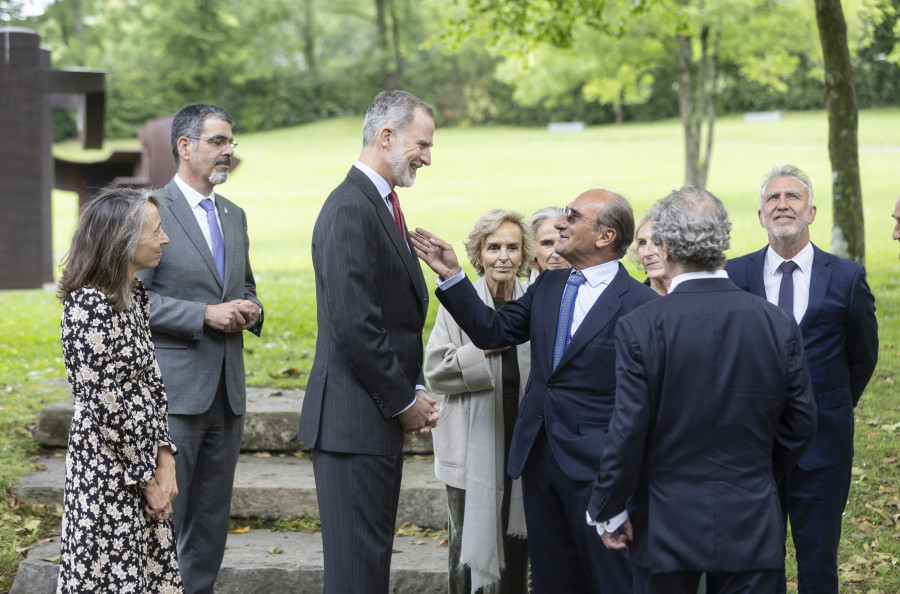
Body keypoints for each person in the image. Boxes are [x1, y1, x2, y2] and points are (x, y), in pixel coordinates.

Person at [412, 189, 659, 593]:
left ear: (604, 236)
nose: (560, 223)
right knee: (550, 581)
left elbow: (647, 403)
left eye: (573, 217)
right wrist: (452, 276)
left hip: (598, 473)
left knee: (610, 580)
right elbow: (492, 330)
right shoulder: (549, 286)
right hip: (538, 463)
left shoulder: (643, 305)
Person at [587, 186, 817, 594]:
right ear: (722, 243)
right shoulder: (777, 324)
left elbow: (627, 429)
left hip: (663, 521)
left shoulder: (642, 326)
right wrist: (757, 473)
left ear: (668, 247)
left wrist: (608, 508)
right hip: (751, 518)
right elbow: (800, 424)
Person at [298, 90, 440, 594]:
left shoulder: (380, 204)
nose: (427, 156)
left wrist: (413, 385)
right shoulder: (349, 209)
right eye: (421, 144)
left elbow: (392, 318)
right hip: (352, 425)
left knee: (369, 568)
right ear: (387, 137)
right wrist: (404, 401)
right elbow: (356, 326)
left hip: (367, 422)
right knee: (357, 575)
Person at [726, 165, 878, 593]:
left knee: (819, 565)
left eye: (793, 197)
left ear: (811, 212)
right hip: (751, 449)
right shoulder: (734, 277)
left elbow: (862, 356)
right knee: (759, 565)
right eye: (772, 198)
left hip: (823, 446)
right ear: (760, 216)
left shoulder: (847, 277)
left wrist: (830, 404)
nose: (782, 204)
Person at [137, 103, 264, 594]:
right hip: (175, 396)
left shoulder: (234, 215)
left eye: (231, 142)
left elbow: (246, 286)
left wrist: (251, 310)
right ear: (184, 147)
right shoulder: (150, 211)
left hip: (227, 396)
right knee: (164, 520)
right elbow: (130, 299)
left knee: (210, 526)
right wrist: (202, 315)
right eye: (218, 141)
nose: (228, 151)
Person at [57, 187, 182, 592]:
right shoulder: (87, 306)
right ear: (122, 242)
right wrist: (149, 478)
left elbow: (151, 382)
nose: (164, 239)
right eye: (156, 231)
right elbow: (104, 405)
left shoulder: (134, 295)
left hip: (144, 464)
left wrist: (166, 460)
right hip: (107, 475)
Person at [424, 209, 534, 594]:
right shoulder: (460, 302)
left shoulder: (533, 302)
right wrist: (486, 347)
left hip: (521, 443)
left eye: (512, 247)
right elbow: (435, 370)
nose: (503, 256)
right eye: (494, 247)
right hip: (472, 442)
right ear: (479, 253)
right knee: (466, 550)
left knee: (518, 542)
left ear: (524, 255)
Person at [630, 216, 670, 295]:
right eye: (642, 243)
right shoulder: (632, 302)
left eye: (657, 241)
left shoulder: (699, 298)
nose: (647, 253)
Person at [527, 206, 569, 281]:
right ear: (531, 247)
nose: (556, 255)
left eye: (563, 241)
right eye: (547, 244)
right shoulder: (518, 290)